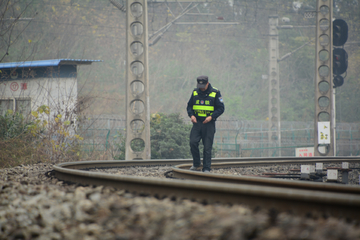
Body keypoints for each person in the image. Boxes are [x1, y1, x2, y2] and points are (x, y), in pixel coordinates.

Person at [186, 76, 225, 172]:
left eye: (203, 85)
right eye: (200, 85)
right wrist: (191, 115)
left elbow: (221, 108)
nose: (201, 88)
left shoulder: (215, 92)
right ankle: (196, 163)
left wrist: (211, 117)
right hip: (197, 122)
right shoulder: (195, 92)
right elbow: (189, 106)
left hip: (209, 124)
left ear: (207, 83)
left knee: (207, 147)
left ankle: (206, 168)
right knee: (193, 142)